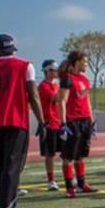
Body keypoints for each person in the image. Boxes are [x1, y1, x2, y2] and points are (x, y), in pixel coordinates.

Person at [0, 34, 44, 208]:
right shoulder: (26, 66)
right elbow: (33, 96)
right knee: (13, 166)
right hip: (17, 123)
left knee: (1, 165)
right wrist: (42, 121)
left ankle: (3, 205)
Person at [57, 50, 97, 197]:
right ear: (77, 62)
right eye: (85, 61)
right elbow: (62, 101)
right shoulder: (67, 79)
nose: (86, 64)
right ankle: (69, 188)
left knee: (81, 155)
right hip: (72, 122)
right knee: (68, 157)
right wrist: (63, 123)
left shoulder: (85, 80)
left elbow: (86, 101)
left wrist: (91, 121)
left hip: (85, 121)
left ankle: (81, 184)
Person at [37, 60, 62, 190]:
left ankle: (69, 176)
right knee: (50, 154)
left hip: (60, 123)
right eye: (54, 70)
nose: (56, 72)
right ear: (47, 71)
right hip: (49, 124)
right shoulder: (43, 86)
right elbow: (56, 98)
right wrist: (68, 85)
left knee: (67, 151)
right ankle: (51, 180)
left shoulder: (57, 85)